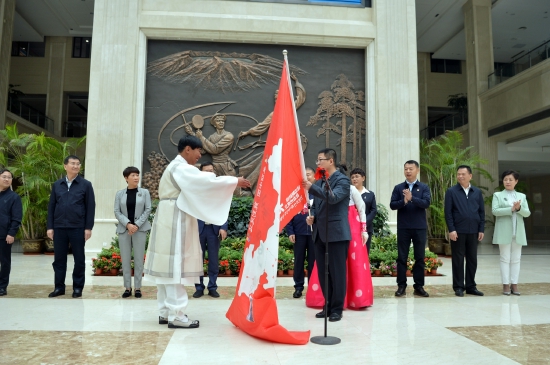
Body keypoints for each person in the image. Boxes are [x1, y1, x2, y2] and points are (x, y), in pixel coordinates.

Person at [143, 136, 250, 329]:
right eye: (198, 151)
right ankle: (177, 315)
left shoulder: (174, 167)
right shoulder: (182, 168)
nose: (200, 155)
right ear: (187, 150)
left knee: (167, 265)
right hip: (176, 217)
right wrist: (233, 181)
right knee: (176, 266)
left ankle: (165, 311)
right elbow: (206, 181)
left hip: (169, 214)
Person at [302, 148, 350, 322]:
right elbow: (317, 205)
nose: (318, 163)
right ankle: (327, 305)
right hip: (320, 233)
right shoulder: (322, 181)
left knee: (337, 273)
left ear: (331, 161)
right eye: (317, 160)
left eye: (320, 160)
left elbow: (334, 197)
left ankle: (337, 309)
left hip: (337, 234)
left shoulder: (342, 180)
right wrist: (313, 216)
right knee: (324, 273)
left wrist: (312, 188)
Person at [47, 155, 96, 298]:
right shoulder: (57, 185)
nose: (75, 166)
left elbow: (90, 207)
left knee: (79, 259)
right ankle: (59, 287)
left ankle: (78, 288)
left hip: (78, 227)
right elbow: (51, 207)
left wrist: (88, 227)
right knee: (59, 260)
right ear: (65, 166)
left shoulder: (86, 184)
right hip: (59, 227)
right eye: (73, 163)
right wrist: (50, 227)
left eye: (78, 164)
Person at [390, 160, 431, 298]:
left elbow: (426, 203)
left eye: (411, 169)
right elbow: (392, 205)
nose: (408, 171)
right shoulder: (398, 187)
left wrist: (412, 198)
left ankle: (419, 286)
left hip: (419, 227)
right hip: (404, 227)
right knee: (402, 257)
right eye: (406, 169)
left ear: (417, 170)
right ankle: (401, 285)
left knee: (419, 257)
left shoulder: (423, 187)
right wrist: (404, 201)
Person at [444, 165, 485, 297]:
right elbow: (448, 212)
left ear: (470, 176)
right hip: (458, 231)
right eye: (458, 174)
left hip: (473, 231)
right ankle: (458, 287)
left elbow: (481, 212)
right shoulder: (451, 191)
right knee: (458, 259)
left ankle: (471, 286)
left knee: (472, 259)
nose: (460, 176)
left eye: (463, 174)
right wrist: (451, 229)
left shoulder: (477, 192)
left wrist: (481, 229)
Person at [114, 166, 152, 299]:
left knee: (138, 260)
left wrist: (136, 225)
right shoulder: (120, 194)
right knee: (125, 259)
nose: (136, 177)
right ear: (126, 178)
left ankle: (137, 288)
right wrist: (128, 224)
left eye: (137, 175)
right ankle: (127, 287)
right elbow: (117, 211)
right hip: (124, 230)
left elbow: (148, 209)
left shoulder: (144, 192)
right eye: (133, 175)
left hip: (139, 230)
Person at [193, 162, 228, 299]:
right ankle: (199, 287)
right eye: (207, 171)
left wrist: (223, 227)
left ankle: (212, 287)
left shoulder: (218, 189)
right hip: (199, 229)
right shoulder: (196, 190)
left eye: (212, 171)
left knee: (213, 260)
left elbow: (223, 208)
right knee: (197, 261)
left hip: (214, 230)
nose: (210, 173)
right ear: (201, 173)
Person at [492, 170, 531, 296]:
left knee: (516, 260)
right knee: (504, 259)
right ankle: (505, 285)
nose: (507, 182)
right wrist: (511, 209)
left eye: (510, 179)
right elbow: (495, 211)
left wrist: (519, 208)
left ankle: (514, 284)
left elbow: (527, 213)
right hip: (504, 232)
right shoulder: (497, 195)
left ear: (516, 181)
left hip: (518, 232)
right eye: (505, 180)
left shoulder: (522, 196)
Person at [285, 167, 316, 299]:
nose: (306, 178)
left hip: (314, 233)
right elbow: (289, 214)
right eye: (304, 175)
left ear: (314, 177)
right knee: (299, 261)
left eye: (308, 175)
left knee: (313, 262)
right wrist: (290, 231)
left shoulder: (317, 193)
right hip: (299, 233)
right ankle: (298, 287)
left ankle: (313, 287)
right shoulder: (295, 194)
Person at [0, 169, 22, 296]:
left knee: (5, 262)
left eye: (9, 177)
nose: (7, 179)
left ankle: (2, 286)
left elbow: (17, 217)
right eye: (4, 177)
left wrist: (11, 233)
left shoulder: (14, 197)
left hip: (4, 235)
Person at [350, 167, 377, 253]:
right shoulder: (348, 194)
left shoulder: (370, 194)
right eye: (352, 177)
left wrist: (363, 223)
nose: (354, 179)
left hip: (366, 228)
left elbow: (373, 211)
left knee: (364, 252)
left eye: (357, 176)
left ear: (363, 178)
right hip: (351, 228)